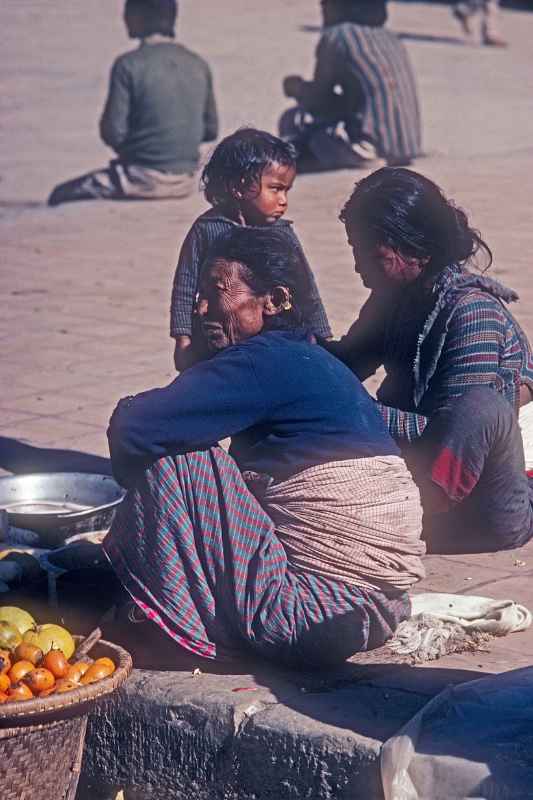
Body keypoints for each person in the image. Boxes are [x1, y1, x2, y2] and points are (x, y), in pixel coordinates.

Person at [105, 226, 424, 668]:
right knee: (199, 449)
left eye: (216, 293)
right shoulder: (311, 358)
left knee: (179, 458)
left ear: (274, 301)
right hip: (369, 616)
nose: (200, 309)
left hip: (303, 617)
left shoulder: (262, 360)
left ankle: (172, 623)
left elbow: (135, 427)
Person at [331, 167, 533, 552]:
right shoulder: (393, 298)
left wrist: (348, 407)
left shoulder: (472, 313)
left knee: (478, 407)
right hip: (420, 479)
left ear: (417, 250)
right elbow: (346, 362)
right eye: (354, 249)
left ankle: (420, 510)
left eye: (371, 252)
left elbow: (449, 433)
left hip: (491, 505)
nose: (358, 264)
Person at [170, 128, 331, 372]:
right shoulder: (206, 230)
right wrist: (183, 339)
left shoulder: (283, 234)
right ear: (239, 187)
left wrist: (322, 338)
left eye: (287, 191)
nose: (283, 200)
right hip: (218, 334)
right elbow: (184, 287)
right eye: (275, 189)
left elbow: (307, 289)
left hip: (274, 335)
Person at [48, 0, 218, 206]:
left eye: (128, 13)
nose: (124, 19)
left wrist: (145, 150)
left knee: (60, 194)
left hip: (139, 179)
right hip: (188, 180)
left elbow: (112, 133)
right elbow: (210, 130)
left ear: (140, 16)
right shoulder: (198, 63)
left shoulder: (128, 64)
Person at [280, 0, 421, 172]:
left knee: (294, 121)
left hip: (369, 147)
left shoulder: (338, 36)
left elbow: (319, 98)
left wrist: (297, 89)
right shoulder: (392, 37)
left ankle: (362, 157)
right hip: (407, 146)